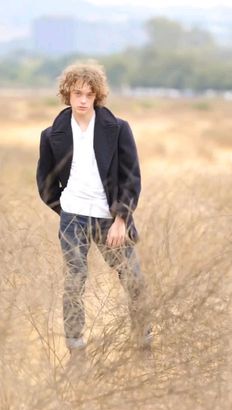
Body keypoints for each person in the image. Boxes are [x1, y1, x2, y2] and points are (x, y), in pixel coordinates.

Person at [36, 62, 152, 354]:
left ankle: (143, 343)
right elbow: (46, 184)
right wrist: (66, 211)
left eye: (89, 94)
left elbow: (131, 177)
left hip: (109, 220)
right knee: (74, 282)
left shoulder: (118, 129)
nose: (83, 100)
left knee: (134, 279)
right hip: (72, 218)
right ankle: (76, 350)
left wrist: (121, 219)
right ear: (68, 95)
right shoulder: (51, 135)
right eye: (78, 93)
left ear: (97, 96)